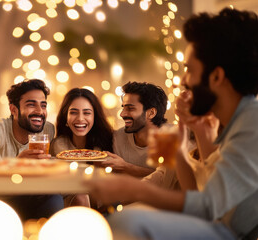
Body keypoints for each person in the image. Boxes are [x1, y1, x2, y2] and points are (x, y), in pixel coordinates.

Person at [87, 8, 258, 239]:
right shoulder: (238, 124)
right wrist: (178, 151)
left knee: (127, 221)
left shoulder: (251, 125)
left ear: (216, 77)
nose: (184, 81)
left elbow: (208, 207)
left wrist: (135, 189)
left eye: (189, 70)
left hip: (233, 233)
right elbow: (196, 195)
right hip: (220, 226)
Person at [0, 79, 63, 220]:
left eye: (43, 105)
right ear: (13, 110)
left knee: (54, 198)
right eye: (31, 105)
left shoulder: (48, 129)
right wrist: (17, 164)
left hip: (30, 196)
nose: (40, 112)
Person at [101, 82, 178, 189]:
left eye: (130, 108)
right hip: (126, 202)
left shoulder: (174, 137)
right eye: (123, 108)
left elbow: (168, 180)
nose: (122, 114)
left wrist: (127, 167)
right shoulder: (119, 137)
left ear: (151, 113)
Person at [50, 88, 113, 207]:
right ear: (66, 117)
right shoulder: (59, 145)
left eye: (87, 113)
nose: (80, 118)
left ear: (95, 116)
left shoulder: (107, 143)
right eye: (73, 112)